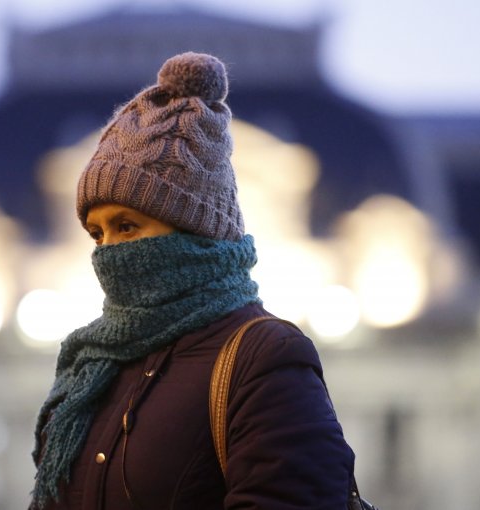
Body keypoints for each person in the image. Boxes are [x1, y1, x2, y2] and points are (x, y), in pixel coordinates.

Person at [31, 52, 356, 510]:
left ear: (194, 227)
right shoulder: (95, 369)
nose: (109, 253)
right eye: (97, 233)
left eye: (128, 226)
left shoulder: (265, 359)